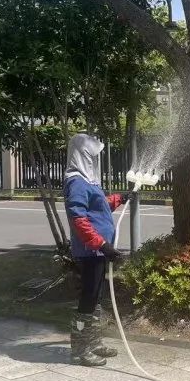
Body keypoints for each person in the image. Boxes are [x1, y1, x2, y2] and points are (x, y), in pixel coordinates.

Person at [63, 132, 126, 366]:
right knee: (88, 298)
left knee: (96, 296)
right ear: (83, 155)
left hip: (98, 250)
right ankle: (80, 350)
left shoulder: (88, 180)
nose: (96, 160)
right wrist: (101, 244)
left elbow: (98, 207)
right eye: (93, 156)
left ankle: (93, 342)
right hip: (91, 250)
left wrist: (119, 198)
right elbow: (78, 218)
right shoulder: (76, 182)